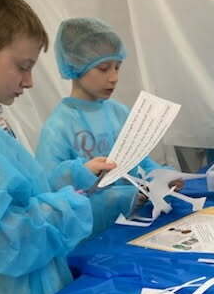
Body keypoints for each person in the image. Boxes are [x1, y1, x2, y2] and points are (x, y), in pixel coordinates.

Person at [0, 0, 109, 294]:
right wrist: (69, 206)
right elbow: (8, 241)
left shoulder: (1, 124)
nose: (30, 82)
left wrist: (74, 177)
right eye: (23, 66)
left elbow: (24, 191)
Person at [36, 17, 162, 235]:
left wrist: (160, 177)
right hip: (89, 237)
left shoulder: (119, 112)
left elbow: (141, 161)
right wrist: (80, 173)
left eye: (117, 67)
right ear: (75, 66)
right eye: (104, 69)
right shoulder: (59, 126)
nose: (114, 78)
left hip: (135, 225)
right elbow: (47, 189)